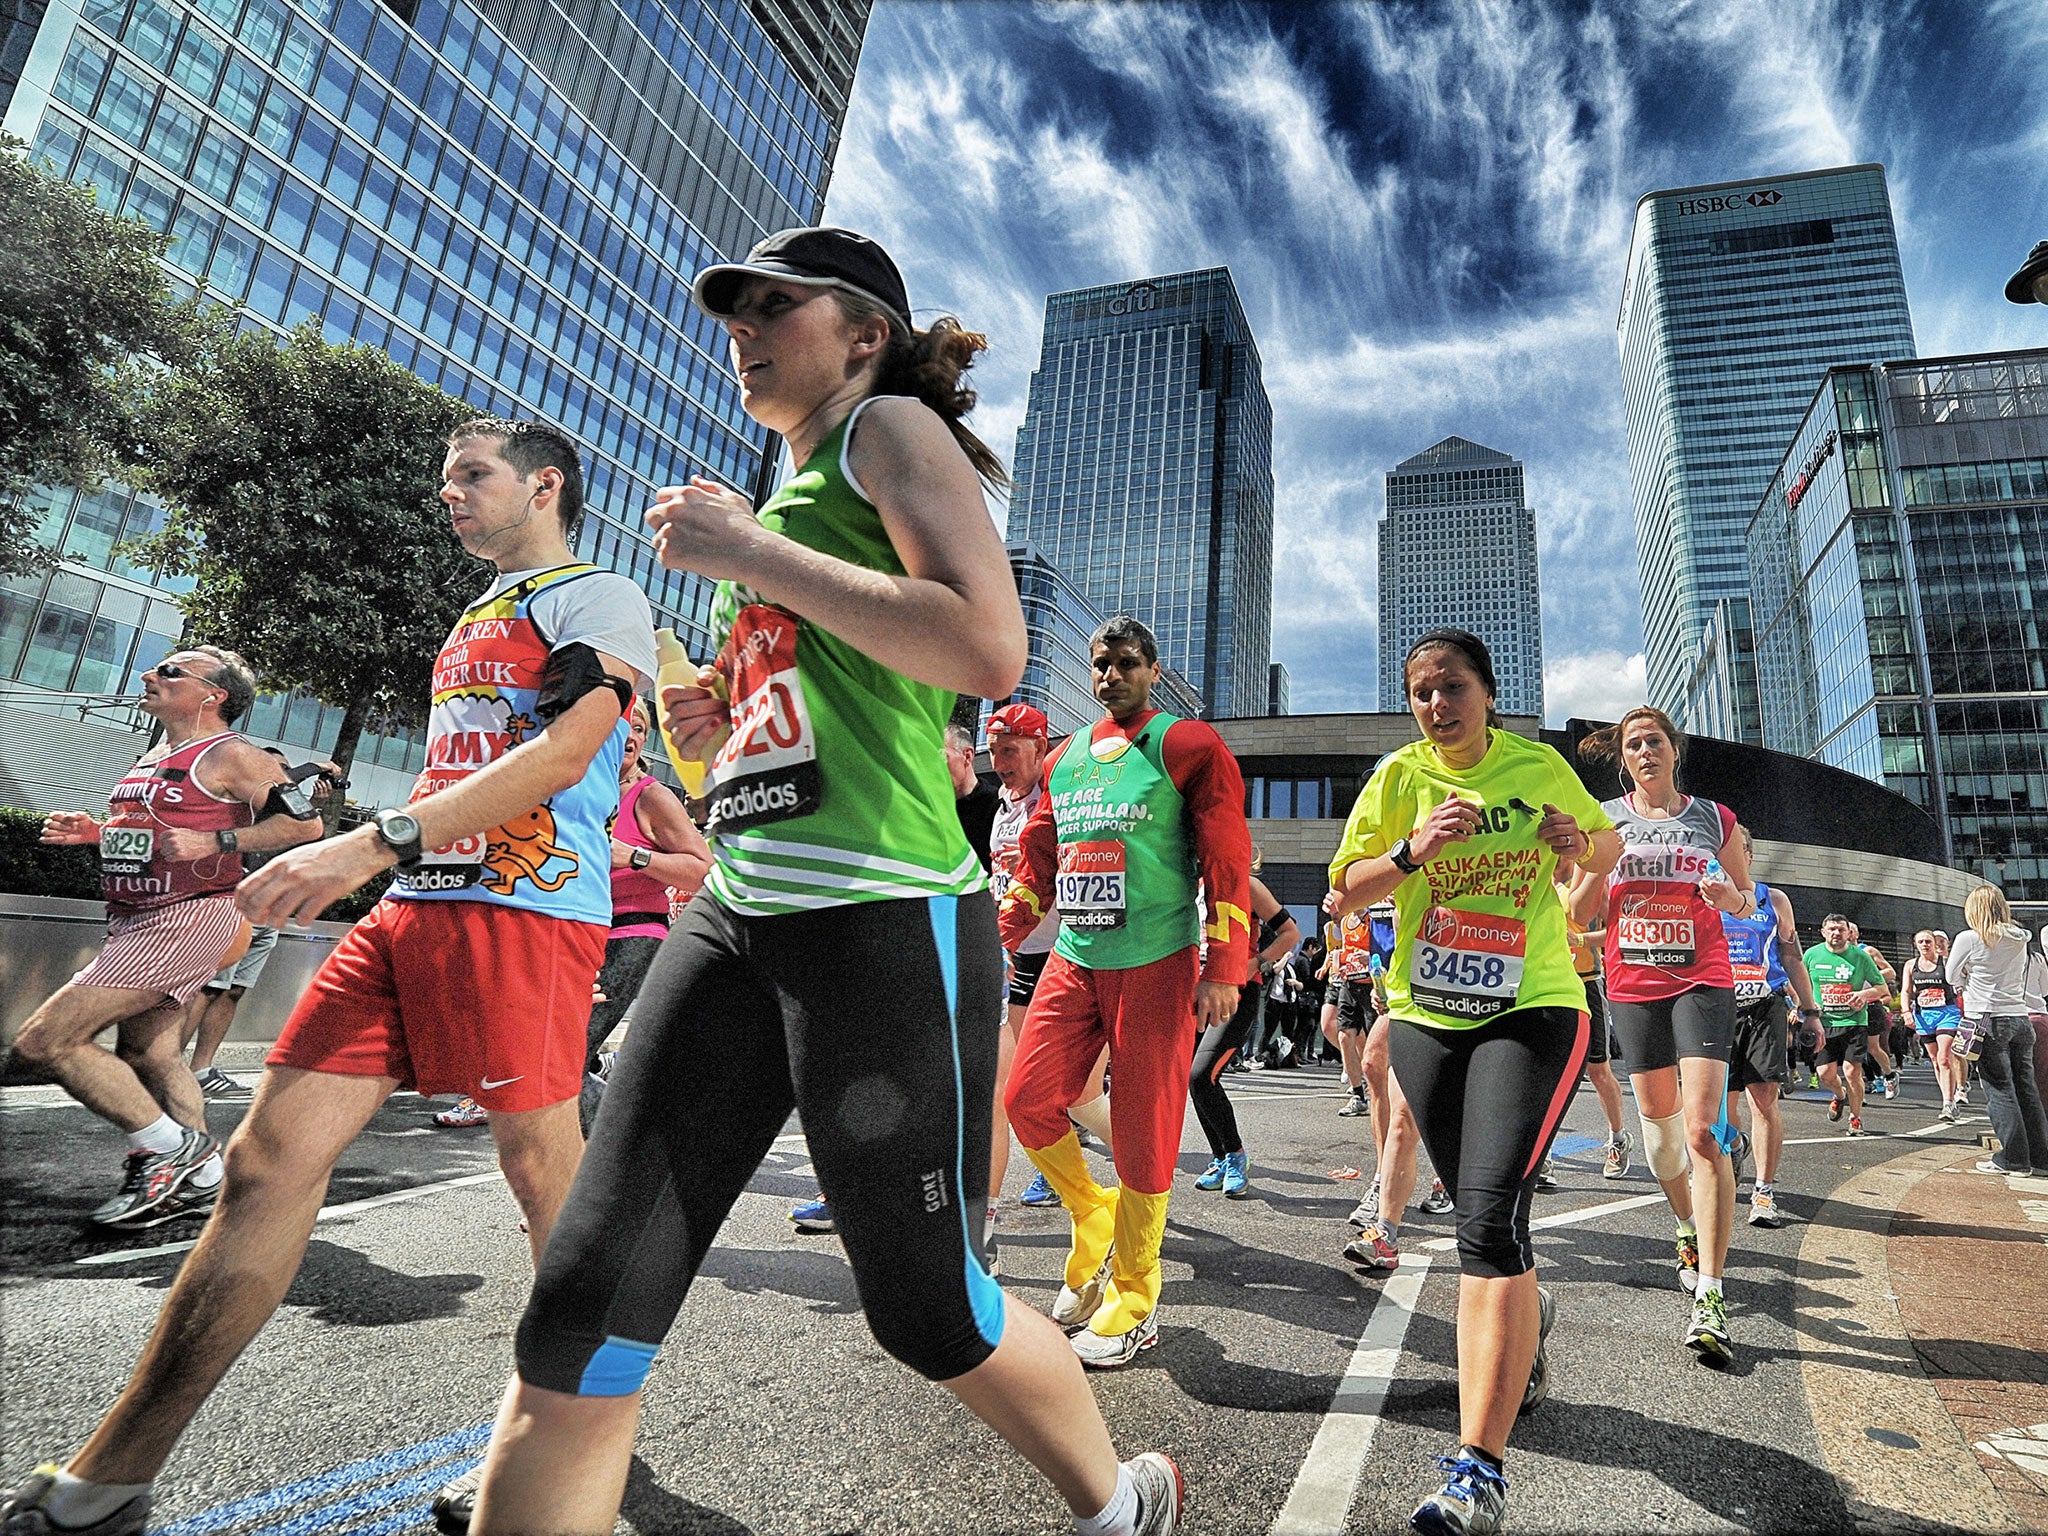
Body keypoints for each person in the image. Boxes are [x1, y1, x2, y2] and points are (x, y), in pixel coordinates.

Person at [460, 229, 1185, 1536]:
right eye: (734, 306)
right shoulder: (789, 508)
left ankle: (1118, 1500)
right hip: (742, 913)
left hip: (883, 917)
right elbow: (779, 742)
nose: (743, 326)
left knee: (926, 1311)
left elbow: (984, 643)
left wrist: (751, 558)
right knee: (585, 1295)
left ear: (861, 336)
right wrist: (700, 719)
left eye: (776, 306)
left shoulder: (889, 433)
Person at [0, 418, 658, 1535]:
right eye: (445, 478)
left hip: (523, 914)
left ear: (546, 483)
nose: (447, 494)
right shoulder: (477, 612)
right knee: (263, 1161)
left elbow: (560, 755)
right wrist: (384, 858)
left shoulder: (596, 596)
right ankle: (107, 1481)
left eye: (471, 476)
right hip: (411, 910)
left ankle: (582, 1436)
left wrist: (368, 841)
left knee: (546, 1179)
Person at [1328, 628, 1618, 1536]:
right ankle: (1527, 1314)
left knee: (1488, 1219)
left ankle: (1478, 1470)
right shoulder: (1398, 778)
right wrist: (1410, 852)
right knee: (1481, 1218)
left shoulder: (1537, 767)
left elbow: (1601, 859)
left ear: (1488, 693)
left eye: (1451, 688)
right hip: (1425, 1015)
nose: (1436, 706)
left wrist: (1578, 843)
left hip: (1530, 1005)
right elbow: (1344, 894)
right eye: (1420, 693)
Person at [999, 614, 1252, 1371]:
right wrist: (1003, 925)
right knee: (1027, 1098)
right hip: (1075, 958)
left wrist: (1224, 965)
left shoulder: (1189, 745)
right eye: (1100, 665)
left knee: (1144, 1127)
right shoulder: (1065, 758)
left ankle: (1136, 1294)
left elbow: (1226, 858)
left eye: (1126, 663)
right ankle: (1092, 1213)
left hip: (1157, 961)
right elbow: (1041, 854)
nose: (1111, 676)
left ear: (1153, 667)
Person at [11, 647, 322, 1232]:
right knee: (148, 1054)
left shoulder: (235, 754)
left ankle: (170, 1150)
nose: (151, 675)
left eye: (171, 671)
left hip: (189, 917)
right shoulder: (155, 755)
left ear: (215, 695)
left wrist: (219, 845)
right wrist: (97, 835)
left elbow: (306, 825)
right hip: (134, 915)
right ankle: (203, 1183)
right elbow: (156, 835)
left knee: (43, 1043)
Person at [1576, 704, 1753, 1363]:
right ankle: (1685, 1222)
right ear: (1623, 760)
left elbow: (1746, 896)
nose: (1645, 750)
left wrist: (1722, 897)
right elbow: (1576, 912)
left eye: (1655, 740)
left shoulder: (1714, 817)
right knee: (1659, 1139)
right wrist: (1584, 859)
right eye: (1633, 744)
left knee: (1703, 1131)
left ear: (1674, 751)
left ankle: (1711, 1294)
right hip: (1632, 988)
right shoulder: (1608, 820)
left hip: (1702, 980)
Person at [574, 694, 711, 1128]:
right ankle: (634, 1128)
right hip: (579, 936)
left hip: (630, 935)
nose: (631, 737)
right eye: (622, 726)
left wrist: (633, 857)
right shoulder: (579, 790)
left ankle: (612, 1155)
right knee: (563, 1056)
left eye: (639, 728)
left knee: (567, 1054)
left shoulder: (651, 796)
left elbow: (703, 870)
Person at [179, 753, 341, 1100]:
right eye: (276, 769)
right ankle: (168, 1069)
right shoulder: (246, 799)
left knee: (234, 989)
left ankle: (201, 1069)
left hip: (267, 908)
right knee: (209, 987)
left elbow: (307, 843)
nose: (281, 775)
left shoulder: (285, 808)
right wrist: (317, 766)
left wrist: (312, 804)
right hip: (235, 900)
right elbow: (280, 785)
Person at [1716, 826, 1820, 1228]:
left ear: (1750, 856)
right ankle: (1735, 1147)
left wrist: (1810, 1010)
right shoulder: (1704, 898)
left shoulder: (1773, 900)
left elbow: (1792, 957)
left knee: (1763, 1099)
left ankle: (1763, 1190)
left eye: (1738, 850)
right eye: (1723, 851)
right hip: (1717, 1010)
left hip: (1765, 1008)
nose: (1731, 858)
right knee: (1721, 1110)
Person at [1189, 857, 1299, 1198]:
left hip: (1237, 992)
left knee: (1201, 1075)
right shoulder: (1185, 886)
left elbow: (1290, 932)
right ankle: (1221, 1157)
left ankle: (1236, 1155)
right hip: (1196, 993)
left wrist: (1257, 961)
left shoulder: (1245, 884)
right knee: (1195, 1081)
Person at [1948, 886, 2048, 1177]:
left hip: (1988, 1020)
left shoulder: (1969, 938)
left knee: (2000, 1090)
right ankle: (2040, 1158)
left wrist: (1969, 974)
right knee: (2026, 1089)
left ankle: (2013, 1159)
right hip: (2020, 1018)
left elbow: (1952, 975)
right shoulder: (2021, 938)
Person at [1555, 868, 1631, 1179]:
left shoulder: (1587, 877)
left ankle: (1618, 1137)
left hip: (1586, 982)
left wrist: (1582, 939)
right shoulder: (1535, 871)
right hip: (1547, 984)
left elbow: (1617, 931)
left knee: (1597, 1070)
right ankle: (1541, 1154)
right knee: (1548, 1071)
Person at [1803, 915, 1888, 1140]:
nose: (1836, 933)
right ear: (1823, 932)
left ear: (1849, 933)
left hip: (1854, 1022)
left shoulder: (1861, 957)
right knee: (1825, 1074)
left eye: (1841, 929)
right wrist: (1801, 1006)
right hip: (1825, 1023)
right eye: (1832, 929)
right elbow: (1800, 983)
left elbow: (1881, 987)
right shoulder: (1812, 955)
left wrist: (1863, 994)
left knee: (1852, 1071)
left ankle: (1855, 1117)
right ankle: (1839, 1096)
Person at [1904, 929, 1964, 1121]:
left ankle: (1948, 1103)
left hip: (1947, 1013)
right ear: (1916, 944)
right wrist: (1906, 1012)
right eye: (1920, 941)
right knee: (1936, 1061)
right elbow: (1906, 991)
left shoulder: (1945, 962)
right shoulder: (1910, 965)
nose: (1925, 945)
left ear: (1934, 943)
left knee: (1945, 1057)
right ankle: (1949, 1098)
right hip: (1924, 1016)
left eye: (1928, 941)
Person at [1850, 922, 1900, 1098]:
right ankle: (1860, 1089)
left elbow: (1891, 972)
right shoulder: (1835, 954)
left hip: (1871, 1003)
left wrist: (1870, 974)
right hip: (1848, 1005)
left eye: (1850, 930)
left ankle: (1888, 1075)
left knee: (1873, 1047)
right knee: (1852, 1048)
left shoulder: (1868, 951)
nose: (1846, 934)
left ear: (1857, 933)